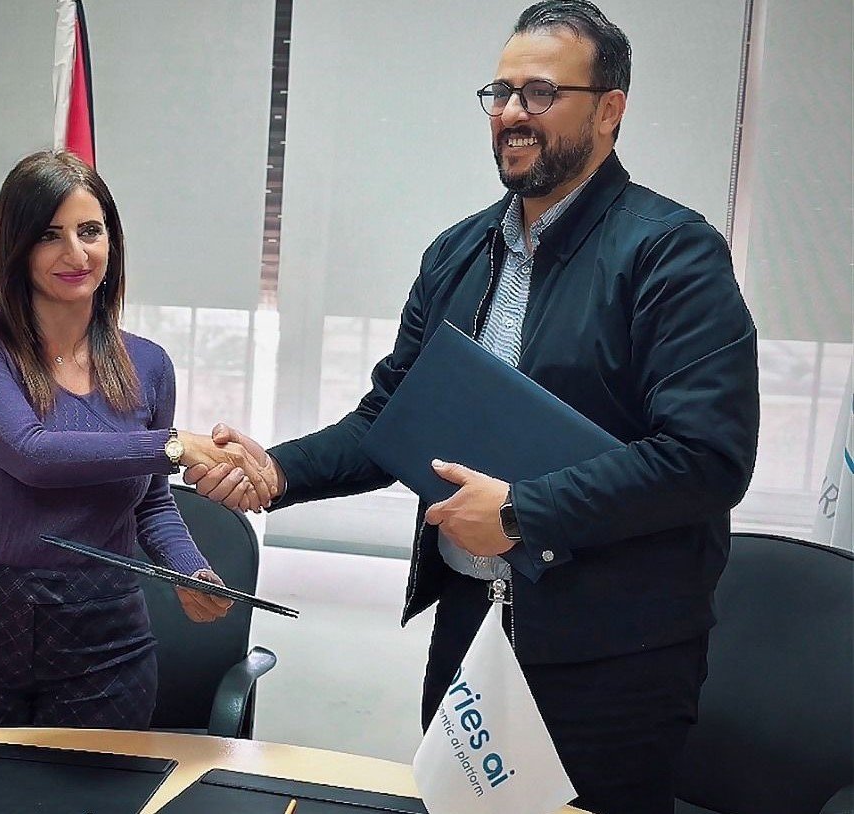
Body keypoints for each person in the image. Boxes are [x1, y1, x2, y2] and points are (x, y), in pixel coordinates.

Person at [186, 3, 759, 812]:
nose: (513, 113)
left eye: (541, 92)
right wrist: (276, 471)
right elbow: (391, 420)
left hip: (613, 659)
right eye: (501, 92)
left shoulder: (672, 251)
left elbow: (706, 458)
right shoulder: (457, 251)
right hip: (470, 628)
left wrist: (522, 512)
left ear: (609, 110)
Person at [0, 150, 276, 731]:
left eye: (90, 232)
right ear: (16, 247)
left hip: (104, 639)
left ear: (111, 242)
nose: (75, 254)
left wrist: (190, 571)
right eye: (49, 235)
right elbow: (31, 454)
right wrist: (174, 445)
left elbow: (150, 500)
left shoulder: (149, 364)